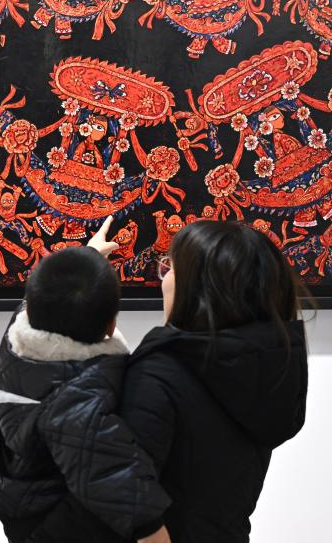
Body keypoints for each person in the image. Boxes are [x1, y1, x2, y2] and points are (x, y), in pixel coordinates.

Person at [47, 218, 310, 542]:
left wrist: (78, 275)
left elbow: (119, 499)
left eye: (170, 268)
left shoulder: (164, 372)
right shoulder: (266, 368)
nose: (164, 278)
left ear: (198, 287)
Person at [0, 219, 172, 543]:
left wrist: (90, 256)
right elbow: (116, 480)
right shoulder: (76, 403)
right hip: (49, 526)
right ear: (111, 326)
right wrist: (154, 532)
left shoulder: (16, 343)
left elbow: (42, 300)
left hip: (21, 497)